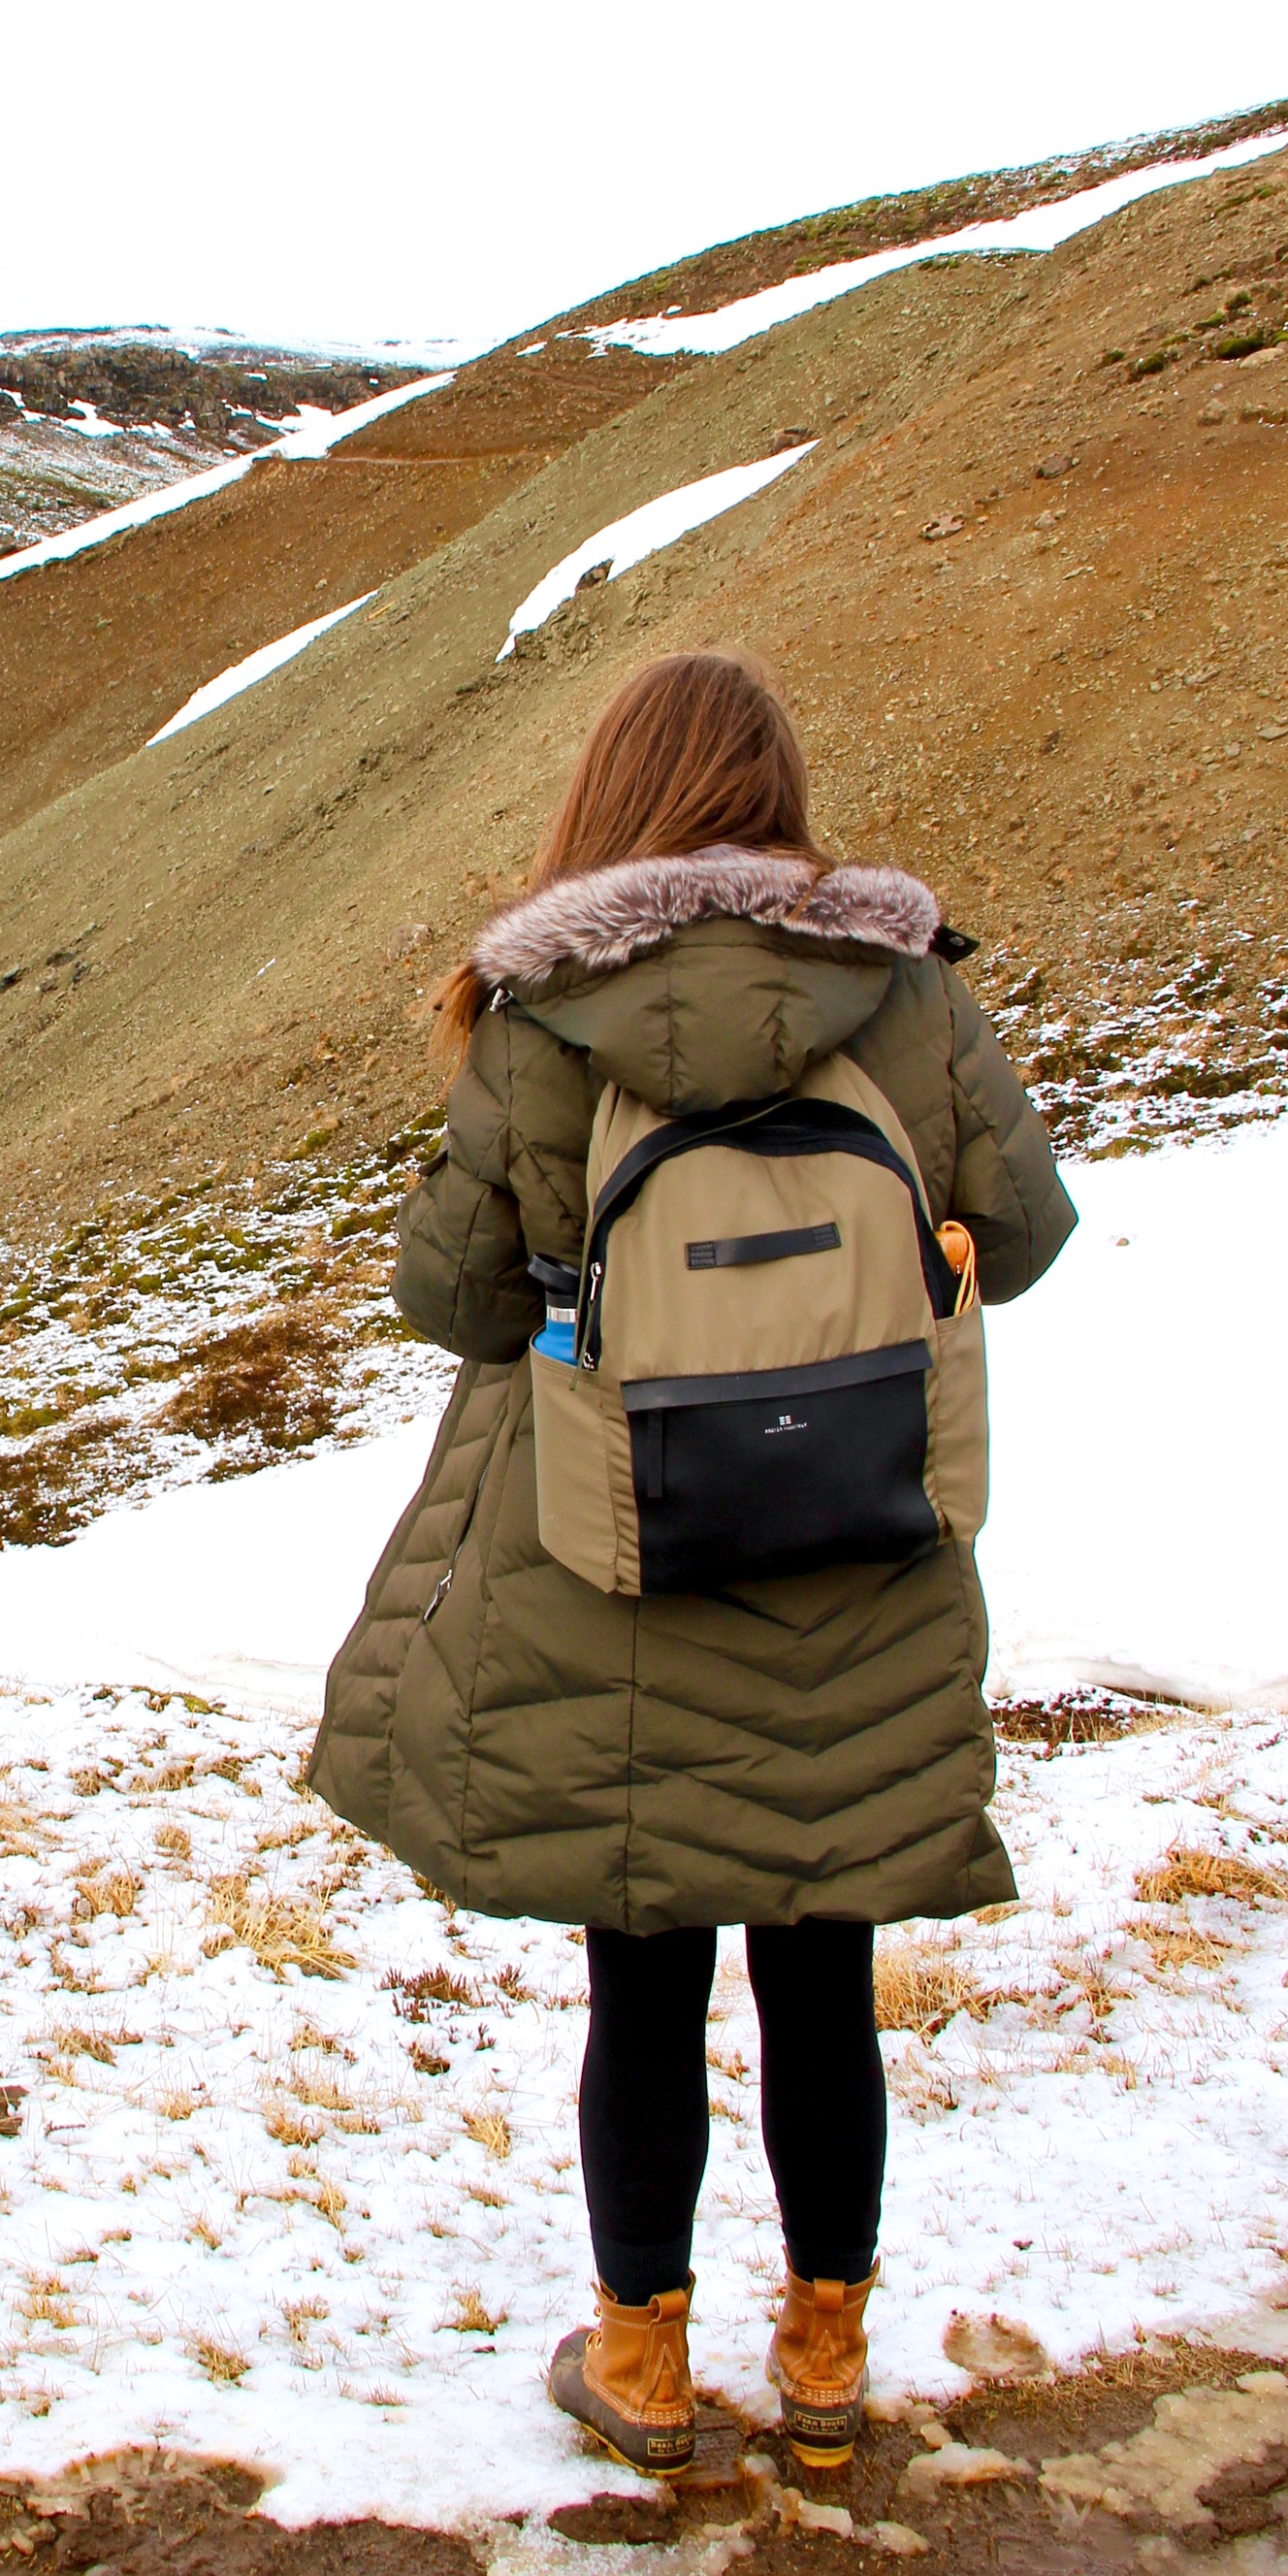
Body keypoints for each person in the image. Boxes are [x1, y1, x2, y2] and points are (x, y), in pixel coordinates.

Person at [306, 650, 1074, 2474]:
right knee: (823, 1969)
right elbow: (1026, 1237)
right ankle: (824, 2364)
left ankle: (642, 2369)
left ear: (612, 798)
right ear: (781, 791)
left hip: (619, 1556)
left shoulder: (544, 1013)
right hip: (864, 1541)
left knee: (642, 1971)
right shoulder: (907, 991)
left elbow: (456, 1298)